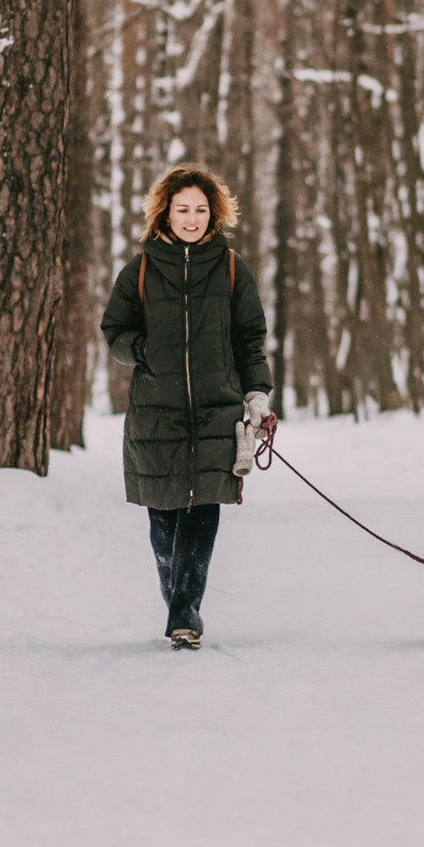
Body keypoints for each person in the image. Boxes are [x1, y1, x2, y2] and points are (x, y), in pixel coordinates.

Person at [100, 163, 272, 650]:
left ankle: (185, 612)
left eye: (200, 209)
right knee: (164, 515)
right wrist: (143, 351)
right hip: (157, 411)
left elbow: (250, 338)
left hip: (217, 409)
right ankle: (178, 596)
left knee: (203, 507)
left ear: (213, 213)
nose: (191, 218)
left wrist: (257, 393)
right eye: (182, 209)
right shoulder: (140, 271)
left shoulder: (233, 268)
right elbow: (114, 334)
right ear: (165, 213)